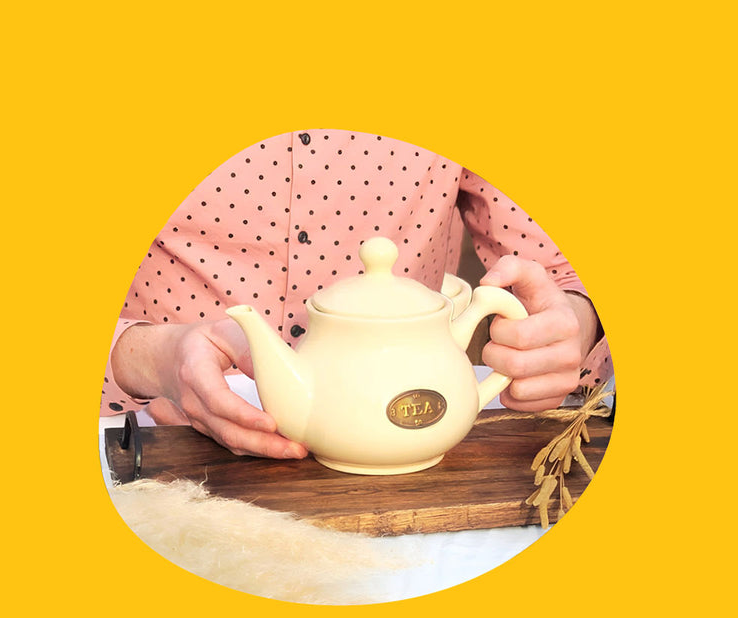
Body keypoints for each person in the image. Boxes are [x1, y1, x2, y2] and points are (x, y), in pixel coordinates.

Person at [102, 130, 612, 459]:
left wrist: (571, 322)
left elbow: (567, 267)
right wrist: (146, 357)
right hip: (145, 445)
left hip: (419, 471)